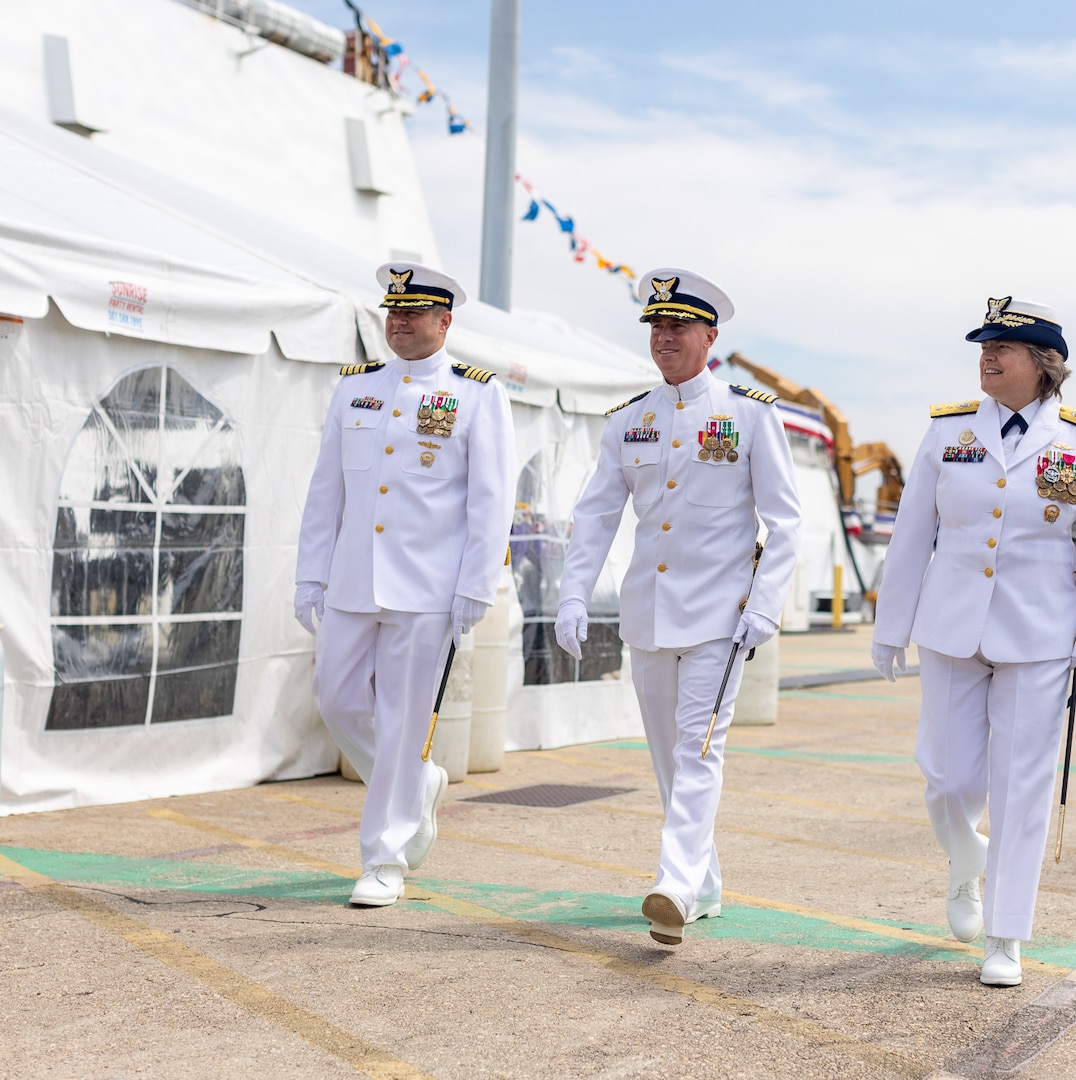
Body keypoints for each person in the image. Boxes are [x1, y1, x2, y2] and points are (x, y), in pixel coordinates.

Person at [870, 296, 1076, 986]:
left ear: (1042, 366)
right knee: (947, 778)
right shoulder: (947, 431)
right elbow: (910, 539)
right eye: (983, 347)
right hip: (951, 626)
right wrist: (889, 627)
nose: (987, 357)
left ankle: (1006, 936)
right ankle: (966, 865)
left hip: (1040, 635)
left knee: (1022, 790)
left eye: (1002, 348)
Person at [556, 269, 802, 946]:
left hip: (721, 618)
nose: (664, 338)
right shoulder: (631, 420)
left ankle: (675, 884)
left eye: (678, 327)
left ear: (710, 337)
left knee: (696, 751)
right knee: (669, 757)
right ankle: (707, 880)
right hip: (649, 614)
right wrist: (573, 592)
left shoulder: (751, 414)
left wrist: (765, 604)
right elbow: (596, 515)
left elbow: (786, 522)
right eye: (657, 327)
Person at [294, 262, 513, 907]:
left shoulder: (476, 394)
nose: (401, 321)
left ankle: (384, 859)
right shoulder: (354, 390)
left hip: (428, 589)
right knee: (335, 699)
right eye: (394, 310)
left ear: (445, 321)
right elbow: (325, 492)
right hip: (352, 582)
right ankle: (416, 785)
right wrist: (311, 574)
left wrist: (478, 582)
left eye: (415, 311)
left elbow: (490, 499)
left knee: (400, 720)